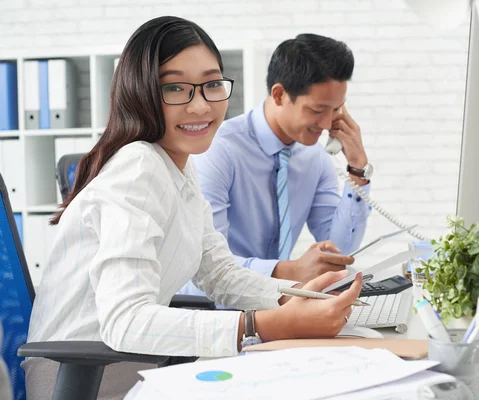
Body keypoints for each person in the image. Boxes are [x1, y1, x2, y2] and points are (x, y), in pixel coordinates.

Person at [23, 16, 362, 399]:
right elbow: (124, 322)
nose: (201, 105)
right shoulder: (138, 167)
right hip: (85, 376)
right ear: (141, 92)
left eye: (213, 84)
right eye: (175, 87)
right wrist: (265, 324)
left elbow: (219, 274)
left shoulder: (177, 166)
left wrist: (297, 296)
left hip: (130, 362)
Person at [179, 33, 373, 298]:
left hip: (275, 304)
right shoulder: (218, 150)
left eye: (336, 110)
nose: (328, 124)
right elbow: (202, 268)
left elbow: (339, 251)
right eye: (318, 110)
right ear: (280, 94)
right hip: (213, 308)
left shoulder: (314, 157)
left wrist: (357, 170)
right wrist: (289, 271)